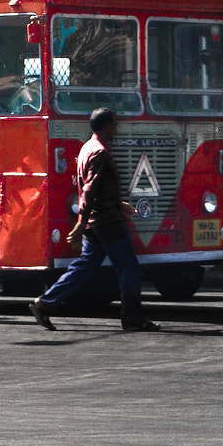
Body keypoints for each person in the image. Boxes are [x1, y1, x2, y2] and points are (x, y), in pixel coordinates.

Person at [31, 107, 160, 332]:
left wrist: (119, 205)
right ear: (107, 125)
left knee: (85, 266)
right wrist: (81, 223)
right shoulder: (100, 152)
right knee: (129, 267)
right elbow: (89, 190)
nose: (117, 129)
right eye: (115, 124)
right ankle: (133, 318)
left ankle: (44, 303)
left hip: (97, 220)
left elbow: (95, 189)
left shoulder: (86, 148)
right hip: (106, 222)